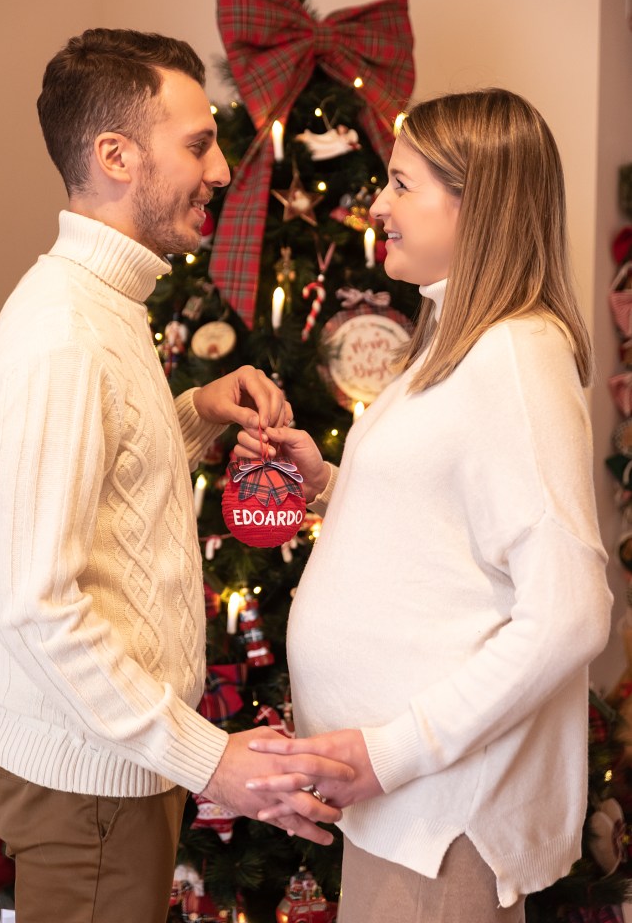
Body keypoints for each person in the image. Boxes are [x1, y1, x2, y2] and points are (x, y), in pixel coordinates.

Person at [0, 28, 353, 923]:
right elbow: (33, 605)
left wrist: (199, 412)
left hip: (107, 770)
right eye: (197, 144)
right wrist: (211, 759)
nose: (220, 170)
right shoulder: (65, 334)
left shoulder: (106, 306)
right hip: (88, 785)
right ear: (116, 157)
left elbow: (104, 484)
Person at [239, 88, 614, 922]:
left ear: (476, 205)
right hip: (401, 814)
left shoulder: (516, 356)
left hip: (441, 819)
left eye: (402, 185)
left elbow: (571, 614)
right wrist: (329, 482)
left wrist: (391, 752)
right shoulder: (454, 339)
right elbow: (447, 524)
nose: (378, 206)